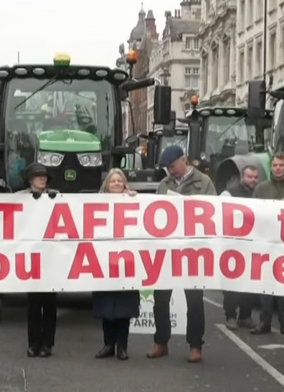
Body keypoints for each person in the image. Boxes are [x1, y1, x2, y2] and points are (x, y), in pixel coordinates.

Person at [148, 145, 216, 363]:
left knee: (194, 299)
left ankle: (196, 345)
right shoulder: (164, 185)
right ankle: (161, 342)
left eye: (172, 166)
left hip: (193, 251)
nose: (170, 171)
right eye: (167, 168)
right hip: (167, 250)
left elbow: (214, 213)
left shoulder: (204, 183)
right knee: (160, 297)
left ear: (183, 160)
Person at [92, 169, 139, 361]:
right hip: (103, 260)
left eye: (120, 181)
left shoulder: (133, 201)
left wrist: (136, 198)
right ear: (107, 185)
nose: (117, 183)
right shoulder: (96, 202)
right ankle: (108, 344)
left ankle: (122, 346)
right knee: (106, 304)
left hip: (126, 261)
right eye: (113, 181)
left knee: (124, 306)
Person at [16, 162, 59, 357]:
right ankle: (33, 343)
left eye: (44, 176)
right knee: (33, 304)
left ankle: (47, 344)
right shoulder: (19, 198)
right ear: (30, 179)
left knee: (50, 303)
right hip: (30, 256)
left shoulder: (58, 197)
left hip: (50, 256)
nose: (42, 178)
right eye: (38, 176)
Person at [251, 153, 284, 335]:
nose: (277, 168)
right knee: (266, 283)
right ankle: (264, 322)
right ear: (270, 167)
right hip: (266, 239)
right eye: (274, 165)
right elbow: (252, 212)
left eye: (281, 165)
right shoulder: (261, 189)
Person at [220, 165, 259, 331]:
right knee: (232, 284)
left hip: (252, 244)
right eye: (250, 177)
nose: (253, 180)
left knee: (249, 283)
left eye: (255, 177)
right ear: (242, 177)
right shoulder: (229, 193)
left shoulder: (259, 193)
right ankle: (230, 316)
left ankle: (245, 315)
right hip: (234, 244)